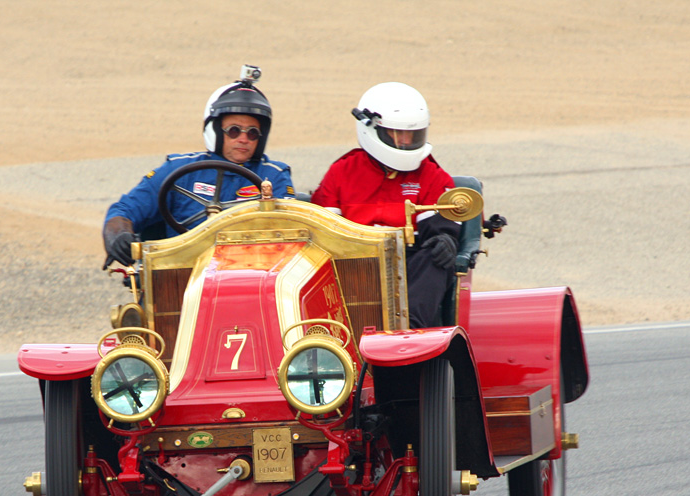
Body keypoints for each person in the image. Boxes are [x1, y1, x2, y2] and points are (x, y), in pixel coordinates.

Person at [103, 66, 295, 268]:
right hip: (181, 276)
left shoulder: (273, 175)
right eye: (234, 131)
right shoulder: (177, 170)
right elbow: (124, 210)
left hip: (252, 273)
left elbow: (291, 230)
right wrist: (118, 234)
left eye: (253, 133)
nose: (244, 139)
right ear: (215, 131)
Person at [311, 82, 460, 328]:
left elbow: (441, 229)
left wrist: (446, 240)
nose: (405, 140)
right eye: (397, 133)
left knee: (436, 256)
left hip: (409, 268)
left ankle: (409, 336)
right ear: (371, 129)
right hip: (351, 265)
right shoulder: (342, 172)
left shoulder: (431, 175)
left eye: (412, 134)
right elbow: (322, 235)